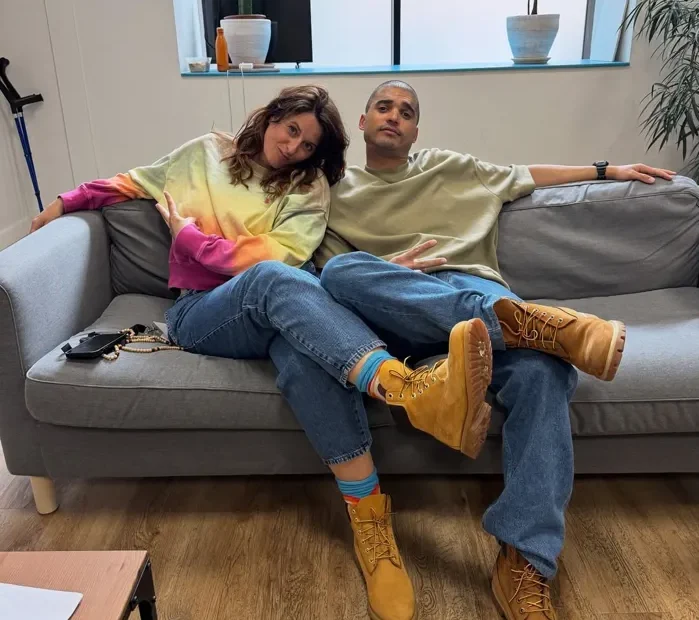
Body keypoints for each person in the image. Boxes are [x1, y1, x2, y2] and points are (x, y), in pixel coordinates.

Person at [29, 85, 502, 620]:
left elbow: (279, 254)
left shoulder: (310, 187)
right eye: (291, 130)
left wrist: (189, 236)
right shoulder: (204, 154)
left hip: (276, 306)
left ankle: (369, 519)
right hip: (202, 312)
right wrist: (64, 203)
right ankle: (408, 390)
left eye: (308, 145)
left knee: (304, 358)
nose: (294, 148)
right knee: (272, 280)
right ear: (271, 117)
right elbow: (130, 183)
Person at [311, 80, 677, 620]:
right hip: (399, 310)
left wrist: (607, 170)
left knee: (545, 373)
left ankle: (525, 558)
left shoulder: (455, 169)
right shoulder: (333, 191)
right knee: (342, 271)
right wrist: (388, 269)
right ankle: (539, 327)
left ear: (416, 131)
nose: (394, 116)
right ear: (362, 123)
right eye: (383, 108)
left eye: (406, 112)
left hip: (477, 300)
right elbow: (316, 278)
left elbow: (527, 174)